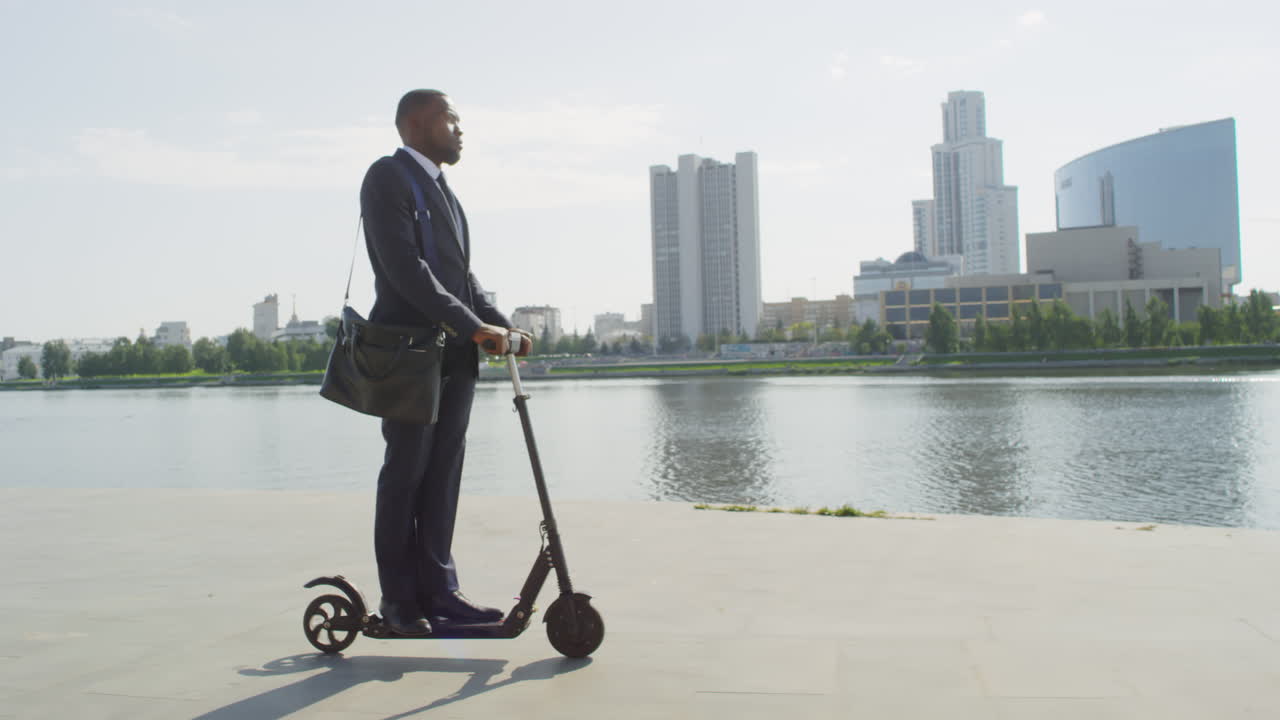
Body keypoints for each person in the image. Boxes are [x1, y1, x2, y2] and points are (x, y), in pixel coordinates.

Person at [360, 89, 530, 636]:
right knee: (405, 475)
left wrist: (501, 325)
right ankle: (400, 604)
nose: (459, 129)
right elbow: (406, 269)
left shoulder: (444, 191)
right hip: (411, 358)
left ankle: (441, 593)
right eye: (449, 119)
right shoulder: (387, 177)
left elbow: (460, 277)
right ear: (414, 123)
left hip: (454, 356)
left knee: (442, 476)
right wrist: (471, 324)